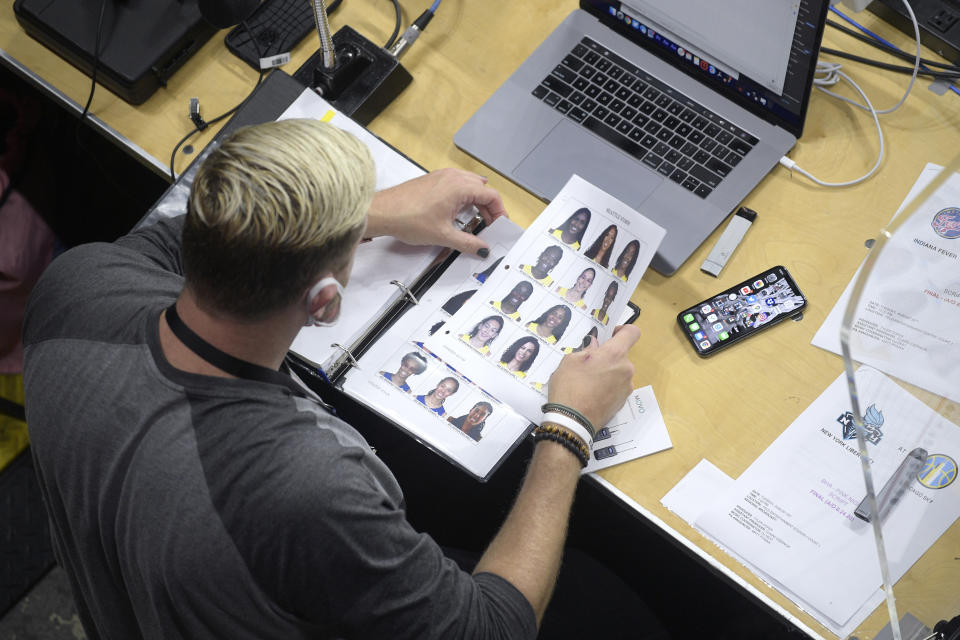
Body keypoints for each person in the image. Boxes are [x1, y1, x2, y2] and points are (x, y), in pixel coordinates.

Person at [23, 118, 647, 639]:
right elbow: (492, 629)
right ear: (324, 302)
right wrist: (568, 425)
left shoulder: (79, 281)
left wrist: (368, 216)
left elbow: (183, 241)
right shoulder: (305, 488)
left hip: (132, 594)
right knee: (614, 602)